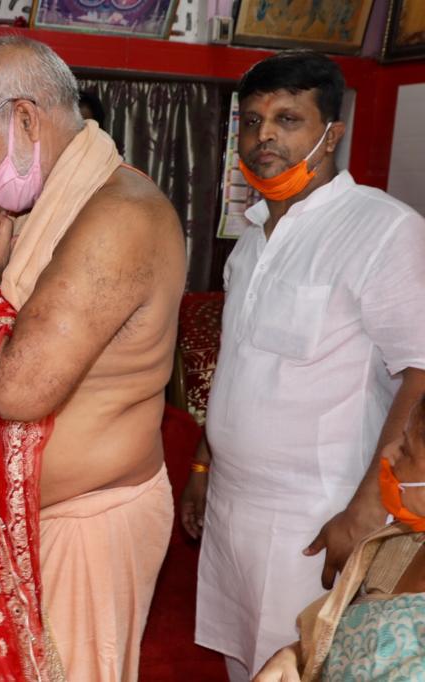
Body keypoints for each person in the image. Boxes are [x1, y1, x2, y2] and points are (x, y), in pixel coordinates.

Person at [0, 36, 186, 681]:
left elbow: (19, 390)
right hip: (42, 523)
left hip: (87, 526)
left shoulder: (116, 217)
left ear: (26, 118)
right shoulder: (64, 210)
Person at [180, 51, 425, 680]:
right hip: (234, 508)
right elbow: (237, 369)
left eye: (288, 119)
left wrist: (368, 508)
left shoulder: (383, 229)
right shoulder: (252, 233)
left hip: (317, 518)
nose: (265, 136)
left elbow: (421, 370)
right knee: (244, 665)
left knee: (303, 663)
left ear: (331, 133)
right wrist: (205, 466)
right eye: (253, 119)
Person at [254, 397, 425, 681]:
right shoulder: (396, 545)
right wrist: (292, 656)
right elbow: (341, 636)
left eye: (406, 451)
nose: (389, 452)